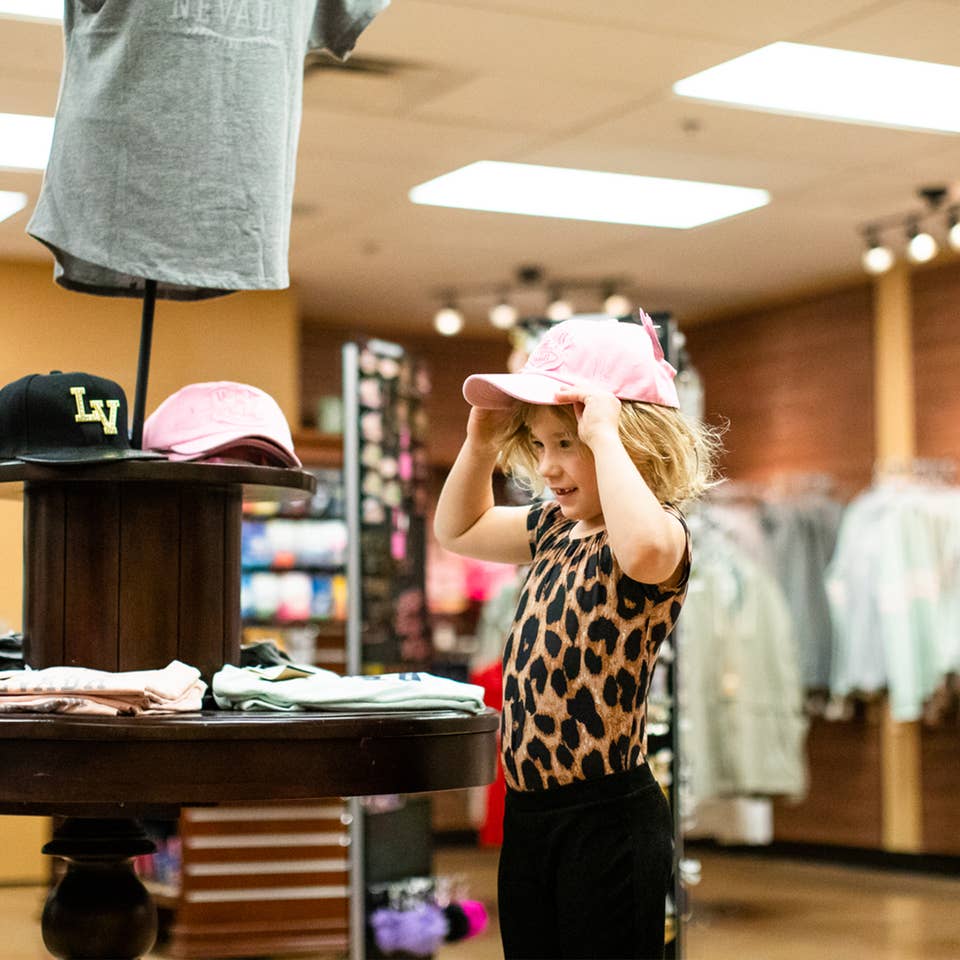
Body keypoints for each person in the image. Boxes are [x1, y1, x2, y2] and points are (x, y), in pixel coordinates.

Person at [434, 313, 720, 960]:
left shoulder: (656, 534)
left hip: (607, 817)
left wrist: (606, 437)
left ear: (634, 441)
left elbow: (643, 549)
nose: (549, 466)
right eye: (538, 445)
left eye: (569, 443)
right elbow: (458, 530)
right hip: (531, 814)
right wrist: (480, 446)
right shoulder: (552, 528)